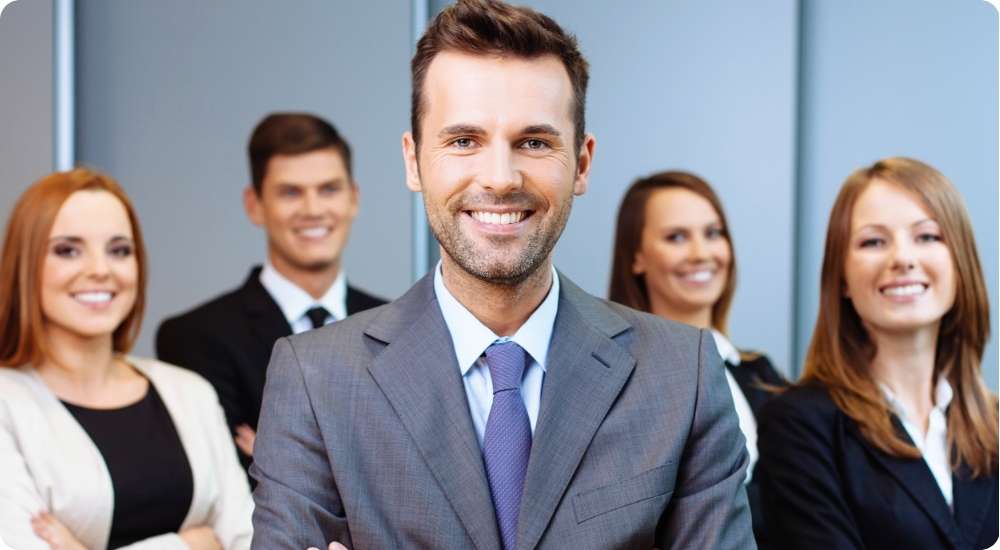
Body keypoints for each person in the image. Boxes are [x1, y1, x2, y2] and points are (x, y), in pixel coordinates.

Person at [249, 1, 754, 549]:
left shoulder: (683, 375)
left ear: (582, 163)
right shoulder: (316, 380)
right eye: (463, 140)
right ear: (413, 160)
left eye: (534, 142)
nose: (499, 177)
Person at [0, 168, 253, 549]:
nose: (100, 270)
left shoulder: (190, 393)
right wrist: (192, 545)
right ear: (25, 263)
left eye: (119, 250)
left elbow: (247, 540)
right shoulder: (7, 401)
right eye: (68, 250)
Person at [756, 157, 998, 549]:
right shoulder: (799, 426)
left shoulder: (993, 426)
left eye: (928, 236)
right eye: (873, 242)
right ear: (843, 279)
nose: (902, 258)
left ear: (960, 265)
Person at [156, 113, 386, 470]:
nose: (312, 210)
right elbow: (229, 487)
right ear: (255, 205)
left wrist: (281, 456)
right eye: (290, 192)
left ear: (353, 199)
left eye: (329, 189)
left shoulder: (400, 327)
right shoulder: (196, 339)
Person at [608, 170, 785, 546]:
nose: (701, 253)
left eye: (713, 233)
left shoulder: (762, 375)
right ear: (636, 258)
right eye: (676, 237)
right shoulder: (613, 384)